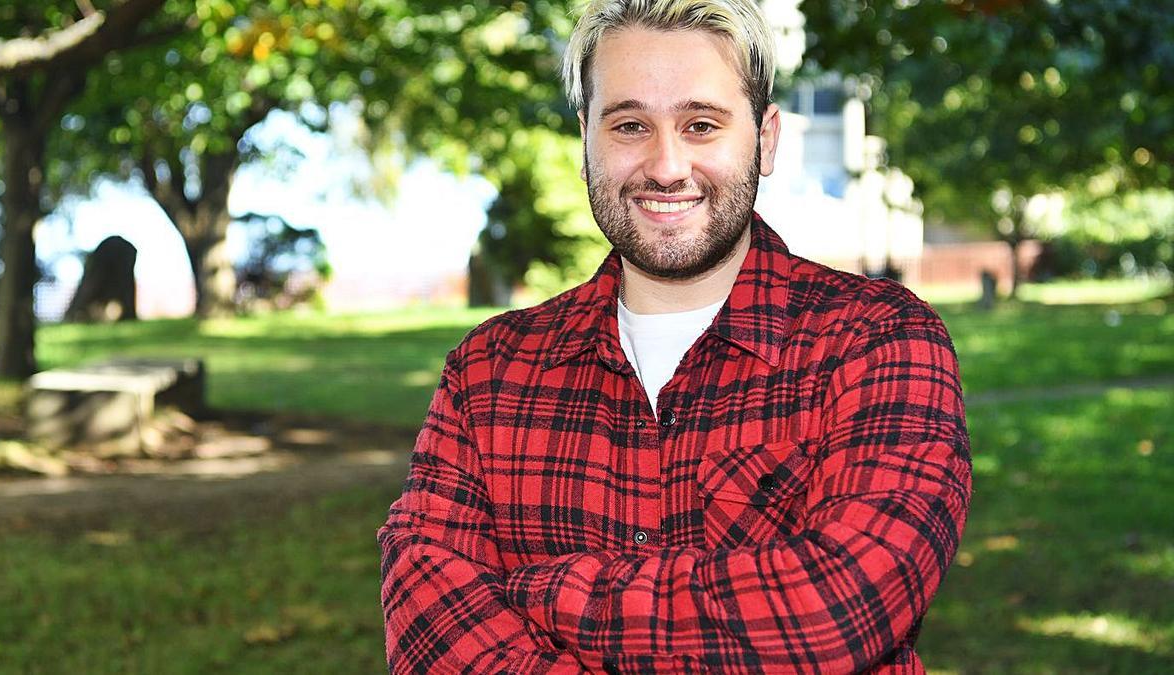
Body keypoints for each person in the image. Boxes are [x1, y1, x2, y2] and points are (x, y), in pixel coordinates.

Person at [378, 1, 971, 672]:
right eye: (630, 125)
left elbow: (835, 613)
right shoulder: (487, 372)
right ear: (586, 140)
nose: (666, 166)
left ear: (765, 139)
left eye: (701, 125)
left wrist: (535, 593)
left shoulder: (879, 342)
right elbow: (429, 632)